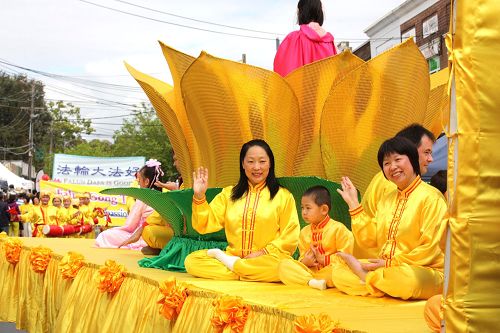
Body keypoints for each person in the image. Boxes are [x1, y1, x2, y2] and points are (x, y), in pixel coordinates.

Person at [332, 137, 447, 300]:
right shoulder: (387, 199)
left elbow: (432, 248)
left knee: (408, 281)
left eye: (397, 159)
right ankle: (378, 283)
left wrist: (391, 264)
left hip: (423, 271)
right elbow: (370, 239)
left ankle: (367, 279)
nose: (393, 167)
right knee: (339, 270)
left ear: (413, 160)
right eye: (386, 163)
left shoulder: (431, 198)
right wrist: (354, 204)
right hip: (387, 269)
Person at [184, 139, 300, 282]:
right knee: (192, 261)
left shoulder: (284, 196)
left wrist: (262, 253)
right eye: (250, 161)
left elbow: (290, 236)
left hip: (267, 259)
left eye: (262, 161)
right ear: (243, 164)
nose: (256, 167)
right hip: (233, 257)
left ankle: (237, 270)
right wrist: (199, 196)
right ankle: (245, 271)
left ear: (270, 164)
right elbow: (204, 224)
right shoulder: (229, 194)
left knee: (282, 267)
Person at [359, 124, 437, 258]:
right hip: (379, 259)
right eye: (426, 152)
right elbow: (386, 239)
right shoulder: (393, 184)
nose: (430, 159)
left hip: (397, 264)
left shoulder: (430, 197)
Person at [278, 185, 353, 290]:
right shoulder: (304, 233)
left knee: (339, 272)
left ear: (324, 209)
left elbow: (347, 258)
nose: (304, 212)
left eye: (308, 208)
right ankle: (312, 282)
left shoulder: (338, 229)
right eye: (302, 208)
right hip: (311, 272)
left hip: (330, 271)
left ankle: (309, 282)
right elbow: (303, 256)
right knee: (284, 265)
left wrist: (324, 259)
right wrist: (305, 261)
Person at [95, 160, 163, 249]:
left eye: (139, 179)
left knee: (104, 236)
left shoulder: (144, 198)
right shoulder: (164, 197)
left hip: (142, 237)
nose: (138, 182)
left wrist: (114, 230)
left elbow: (130, 226)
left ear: (146, 181)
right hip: (161, 237)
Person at [274, 0, 337, 77]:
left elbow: (283, 73)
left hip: (301, 88)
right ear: (320, 12)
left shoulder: (293, 39)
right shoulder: (331, 43)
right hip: (325, 88)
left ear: (301, 12)